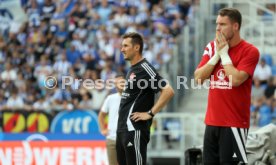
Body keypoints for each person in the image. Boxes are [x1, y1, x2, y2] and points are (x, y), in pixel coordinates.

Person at [194, 8, 260, 164]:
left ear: (235, 26)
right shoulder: (211, 47)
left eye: (223, 24)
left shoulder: (250, 51)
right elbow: (198, 78)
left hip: (234, 123)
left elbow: (235, 79)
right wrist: (217, 54)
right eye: (217, 24)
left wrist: (224, 55)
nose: (218, 28)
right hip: (211, 122)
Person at [116, 32, 174, 165]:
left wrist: (150, 113)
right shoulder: (132, 69)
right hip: (122, 130)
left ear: (136, 48)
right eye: (122, 46)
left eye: (125, 46)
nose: (122, 49)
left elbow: (168, 91)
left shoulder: (145, 68)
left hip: (134, 130)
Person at [98, 74, 125, 165]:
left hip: (127, 138)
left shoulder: (133, 98)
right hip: (112, 139)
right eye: (116, 83)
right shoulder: (111, 98)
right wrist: (103, 129)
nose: (118, 85)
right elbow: (101, 115)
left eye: (120, 82)